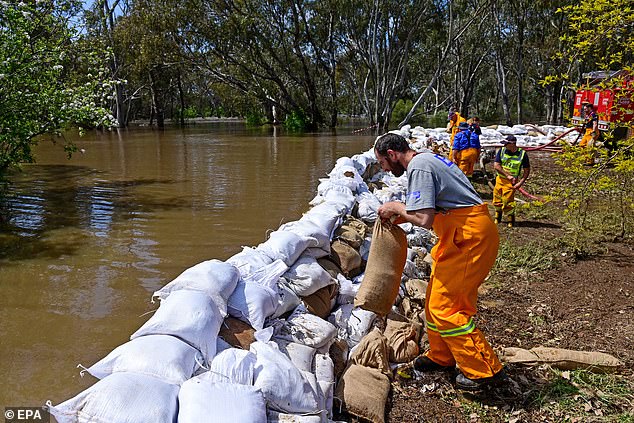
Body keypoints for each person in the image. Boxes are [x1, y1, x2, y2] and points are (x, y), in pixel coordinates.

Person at [374, 133, 505, 391]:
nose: (385, 170)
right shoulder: (427, 160)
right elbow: (434, 208)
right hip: (458, 237)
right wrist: (399, 215)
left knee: (448, 309)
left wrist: (395, 206)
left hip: (469, 239)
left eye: (383, 164)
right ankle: (442, 356)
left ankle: (483, 371)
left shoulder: (419, 167)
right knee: (434, 303)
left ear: (391, 154)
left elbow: (423, 219)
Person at [492, 135, 530, 227]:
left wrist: (520, 183)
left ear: (512, 144)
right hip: (500, 179)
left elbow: (527, 170)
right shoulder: (502, 151)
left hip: (511, 183)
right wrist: (507, 175)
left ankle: (510, 219)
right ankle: (497, 217)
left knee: (508, 201)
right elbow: (496, 165)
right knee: (497, 198)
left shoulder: (522, 154)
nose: (505, 146)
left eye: (506, 144)